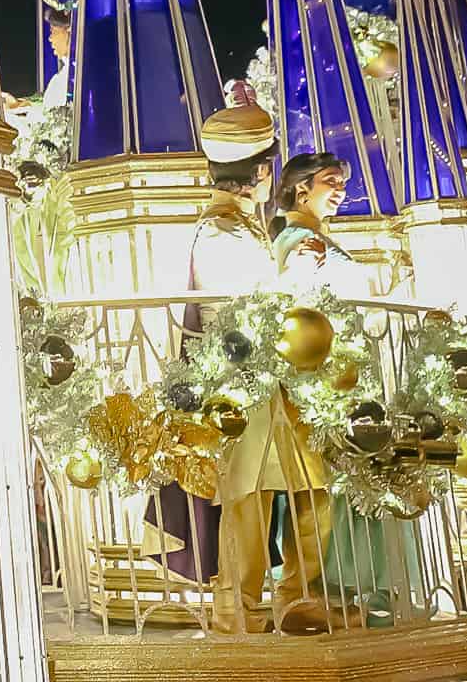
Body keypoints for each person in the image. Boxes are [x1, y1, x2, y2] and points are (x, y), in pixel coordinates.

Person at [190, 107, 345, 635]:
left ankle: (298, 599)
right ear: (259, 175)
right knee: (248, 499)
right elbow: (246, 309)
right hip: (243, 386)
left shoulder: (239, 229)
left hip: (279, 383)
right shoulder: (219, 233)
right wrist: (293, 268)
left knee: (311, 490)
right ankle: (241, 609)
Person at [271, 152, 423, 624]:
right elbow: (300, 305)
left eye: (341, 182)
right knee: (336, 484)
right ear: (301, 188)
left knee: (355, 481)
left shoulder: (313, 239)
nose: (340, 190)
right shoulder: (300, 243)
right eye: (331, 182)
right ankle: (333, 593)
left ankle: (354, 595)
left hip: (345, 376)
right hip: (326, 383)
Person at [2, 3, 72, 126]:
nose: (50, 38)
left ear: (69, 32)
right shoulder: (63, 76)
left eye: (53, 31)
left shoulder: (70, 79)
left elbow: (49, 120)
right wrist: (19, 105)